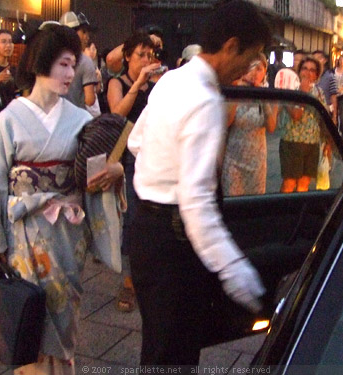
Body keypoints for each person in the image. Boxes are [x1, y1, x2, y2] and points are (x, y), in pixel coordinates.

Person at [0, 24, 124, 374]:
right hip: (22, 233)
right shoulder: (9, 119)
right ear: (40, 63)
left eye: (74, 65)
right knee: (28, 313)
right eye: (64, 64)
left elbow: (98, 174)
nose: (71, 74)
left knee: (64, 308)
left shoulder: (81, 119)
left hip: (67, 233)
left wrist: (116, 174)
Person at [127, 0, 269, 365]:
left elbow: (135, 141)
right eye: (251, 57)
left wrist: (161, 168)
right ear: (231, 46)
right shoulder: (206, 101)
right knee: (174, 353)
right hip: (174, 242)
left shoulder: (172, 80)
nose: (248, 68)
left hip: (145, 231)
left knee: (157, 346)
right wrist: (233, 267)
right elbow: (196, 203)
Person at [107, 31, 161, 313]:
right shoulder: (118, 82)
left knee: (151, 216)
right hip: (126, 156)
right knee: (131, 218)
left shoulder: (156, 84)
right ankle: (128, 282)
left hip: (152, 155)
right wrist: (138, 84)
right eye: (141, 55)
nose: (146, 60)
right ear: (127, 56)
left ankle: (147, 274)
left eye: (150, 55)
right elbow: (117, 113)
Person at [222, 53, 277, 195]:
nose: (254, 73)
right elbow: (226, 122)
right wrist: (237, 93)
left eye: (259, 69)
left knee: (254, 205)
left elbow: (271, 127)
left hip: (257, 160)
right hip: (234, 159)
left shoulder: (268, 94)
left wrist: (262, 97)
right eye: (250, 68)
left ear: (265, 72)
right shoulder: (233, 89)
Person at [279, 55, 328, 193]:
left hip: (312, 142)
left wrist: (327, 143)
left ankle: (297, 212)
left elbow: (323, 118)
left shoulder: (319, 92)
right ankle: (283, 210)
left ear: (317, 74)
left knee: (304, 183)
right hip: (292, 141)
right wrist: (303, 92)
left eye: (312, 70)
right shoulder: (290, 90)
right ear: (299, 71)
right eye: (305, 69)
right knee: (289, 183)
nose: (308, 73)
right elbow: (295, 115)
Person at [59, 11, 99, 114]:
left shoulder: (51, 58)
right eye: (84, 32)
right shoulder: (85, 61)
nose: (87, 37)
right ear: (72, 32)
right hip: (76, 120)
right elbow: (90, 100)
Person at [0, 29, 18, 108]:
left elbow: (17, 93)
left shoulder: (15, 70)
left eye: (10, 42)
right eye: (3, 42)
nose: (8, 45)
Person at [313, 50, 337, 124]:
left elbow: (333, 96)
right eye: (314, 59)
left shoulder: (330, 76)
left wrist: (334, 116)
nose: (317, 60)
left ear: (325, 60)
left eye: (319, 58)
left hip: (325, 112)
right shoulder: (310, 75)